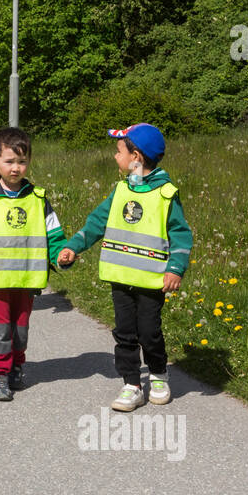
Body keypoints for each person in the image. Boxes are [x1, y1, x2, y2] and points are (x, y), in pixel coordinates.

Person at [58, 123, 192, 411]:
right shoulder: (119, 191)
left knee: (149, 332)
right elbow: (95, 223)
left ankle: (158, 374)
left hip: (151, 280)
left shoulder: (166, 194)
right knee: (125, 333)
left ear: (136, 157)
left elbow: (181, 235)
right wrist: (72, 247)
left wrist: (176, 268)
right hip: (120, 277)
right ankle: (131, 383)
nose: (114, 156)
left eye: (119, 151)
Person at [0, 127, 71, 401]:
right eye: (9, 161)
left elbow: (54, 234)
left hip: (26, 281)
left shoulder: (38, 198)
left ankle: (17, 366)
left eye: (22, 161)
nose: (15, 168)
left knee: (20, 330)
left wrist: (61, 254)